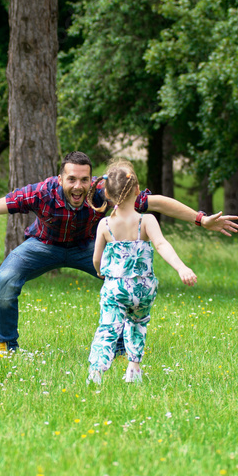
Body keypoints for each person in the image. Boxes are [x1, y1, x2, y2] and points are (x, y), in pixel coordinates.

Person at [0, 151, 238, 355]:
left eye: (84, 179)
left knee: (125, 282)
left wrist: (200, 219)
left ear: (92, 179)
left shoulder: (105, 192)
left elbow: (156, 202)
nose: (78, 186)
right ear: (60, 178)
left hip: (88, 248)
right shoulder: (41, 193)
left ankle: (121, 349)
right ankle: (7, 345)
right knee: (5, 280)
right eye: (71, 179)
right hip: (43, 247)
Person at [87, 159, 196, 385]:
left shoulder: (105, 224)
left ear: (106, 193)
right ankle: (134, 368)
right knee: (137, 324)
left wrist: (100, 271)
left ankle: (96, 371)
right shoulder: (147, 220)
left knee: (108, 328)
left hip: (116, 287)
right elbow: (162, 245)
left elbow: (96, 258)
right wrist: (181, 267)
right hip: (143, 289)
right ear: (138, 191)